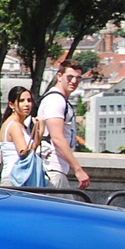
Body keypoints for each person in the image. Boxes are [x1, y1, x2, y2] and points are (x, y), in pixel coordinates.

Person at [37, 60, 90, 189]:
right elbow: (57, 137)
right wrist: (78, 169)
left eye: (78, 78)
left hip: (56, 169)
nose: (74, 81)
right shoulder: (55, 100)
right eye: (70, 77)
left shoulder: (59, 100)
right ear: (59, 76)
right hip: (52, 169)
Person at [0, 85, 44, 187]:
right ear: (11, 105)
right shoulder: (14, 125)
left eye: (29, 100)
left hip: (16, 177)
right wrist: (40, 132)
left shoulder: (18, 124)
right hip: (15, 179)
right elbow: (24, 152)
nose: (26, 104)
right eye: (21, 101)